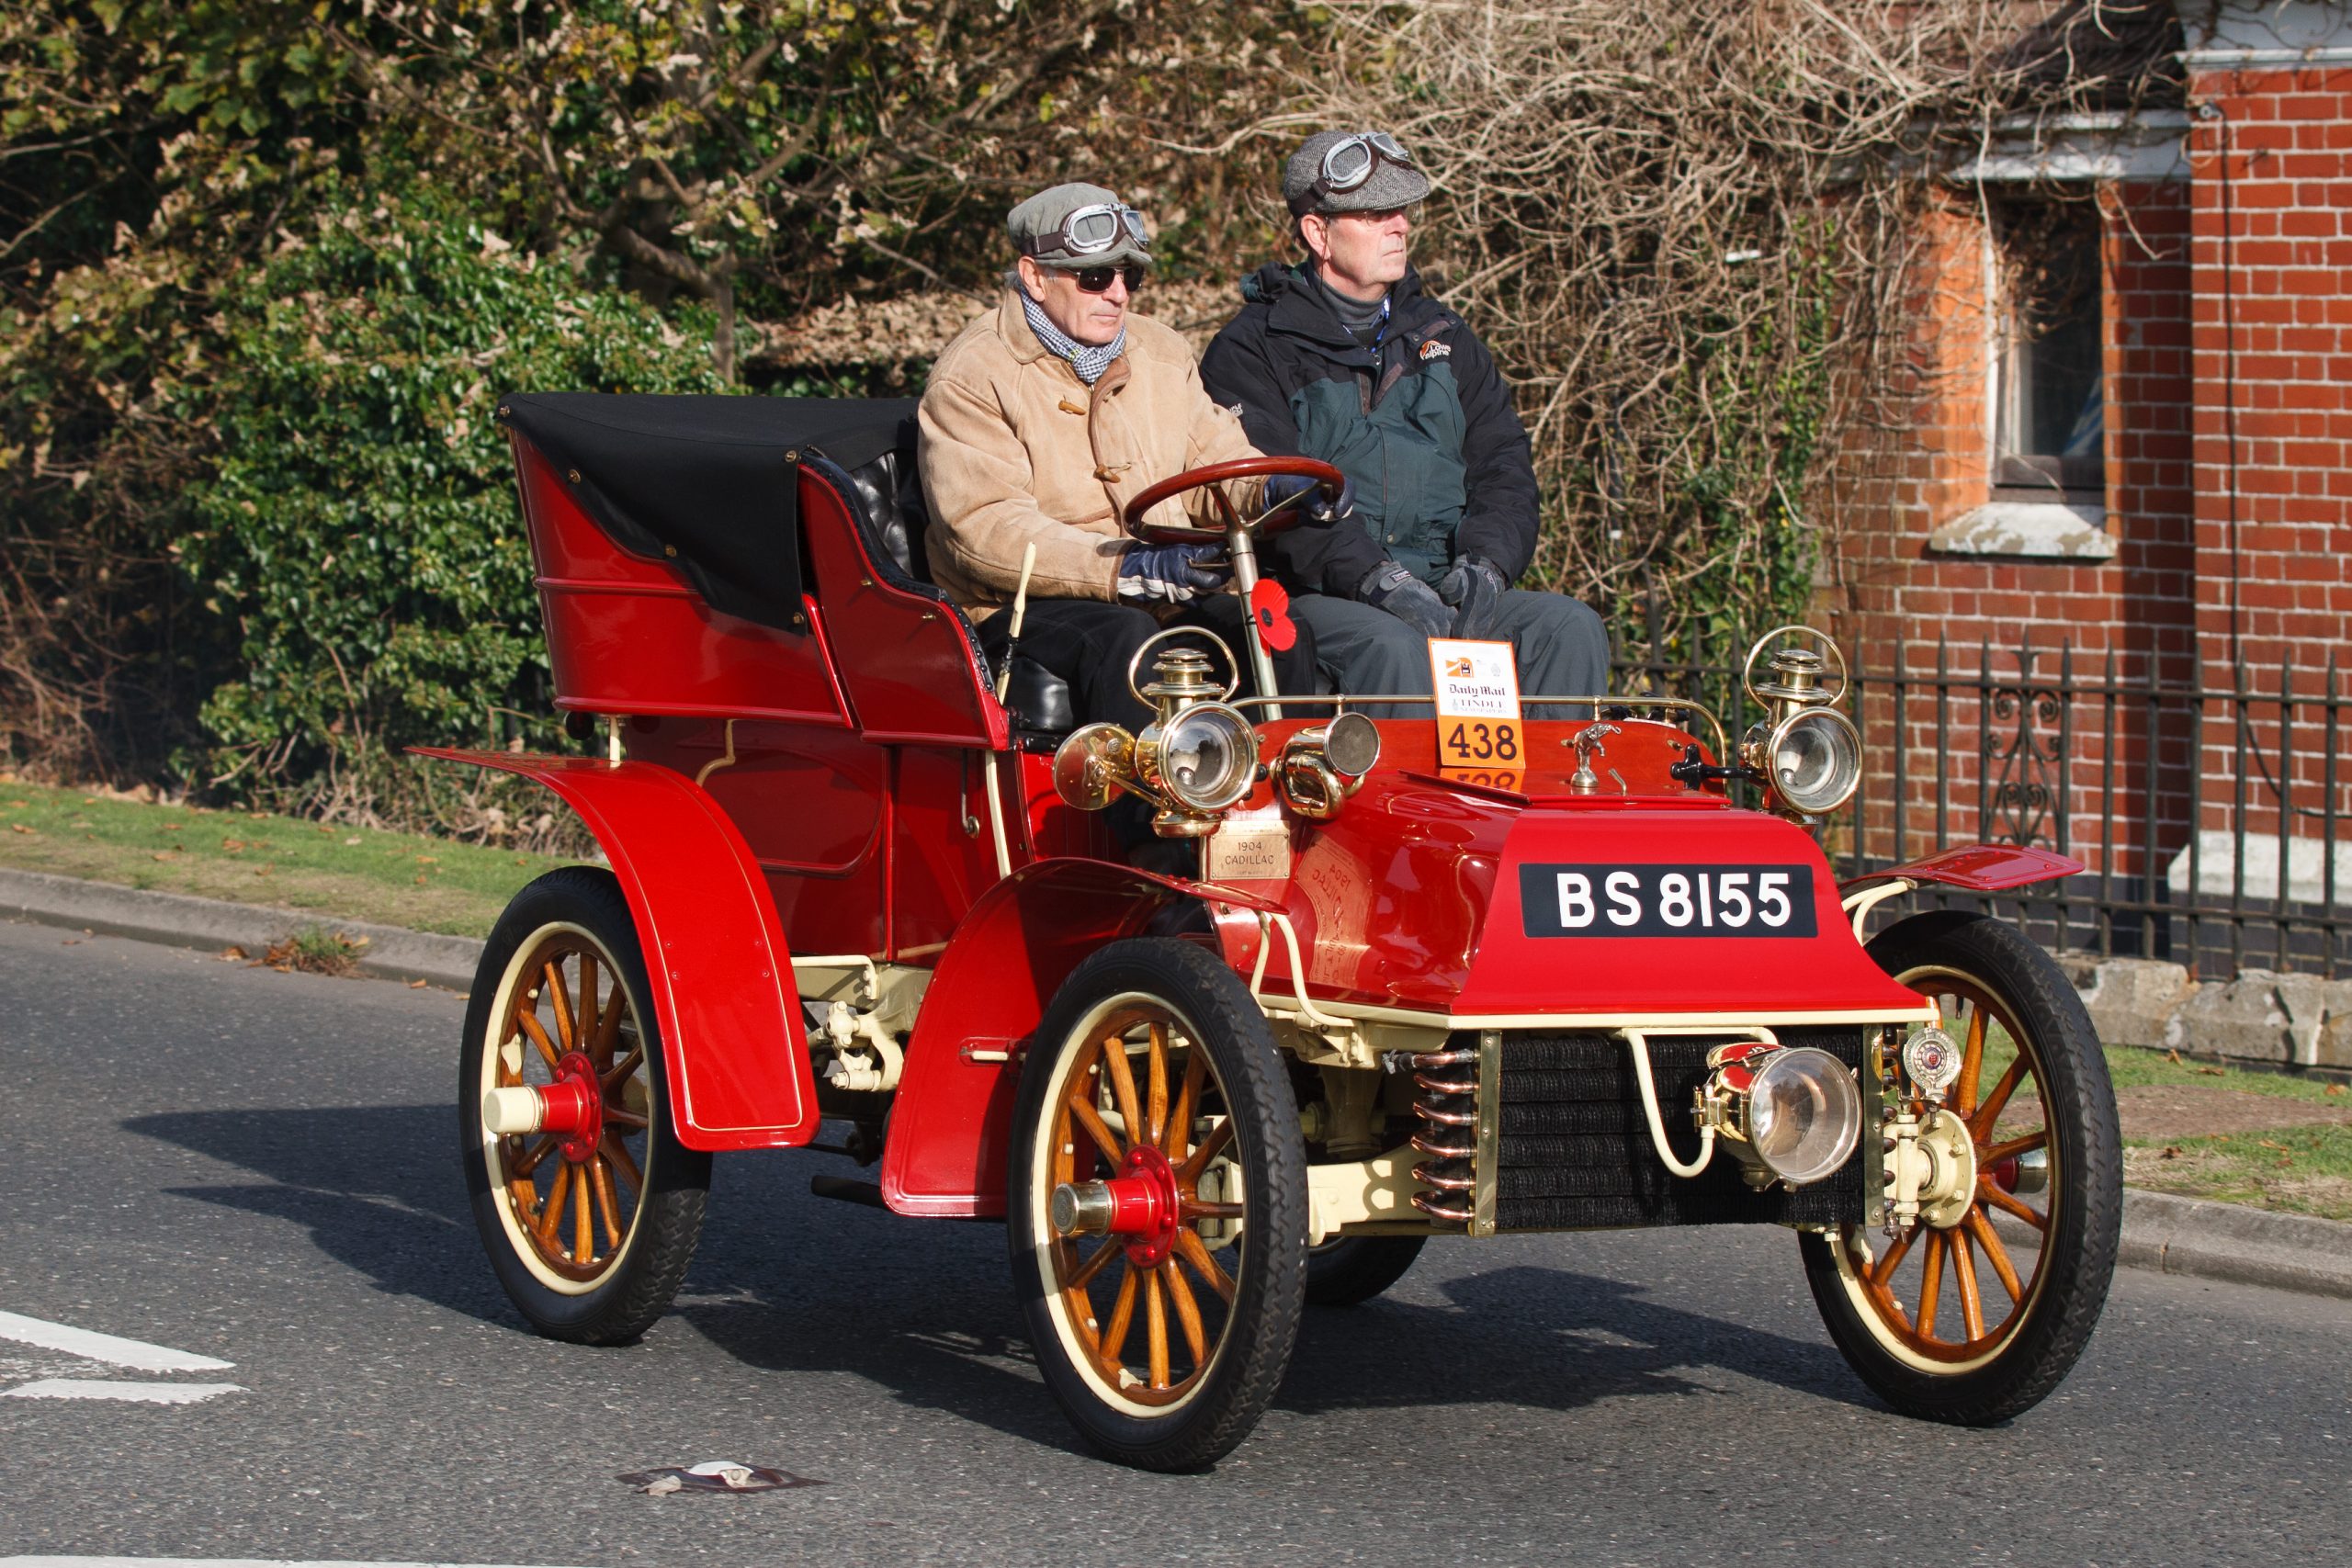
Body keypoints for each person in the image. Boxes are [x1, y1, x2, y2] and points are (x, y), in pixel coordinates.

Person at [1201, 131, 1611, 713]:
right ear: (1319, 233)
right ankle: (1407, 807)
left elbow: (1505, 468)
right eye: (1375, 214)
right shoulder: (1250, 350)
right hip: (1318, 595)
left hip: (1447, 585)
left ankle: (1545, 804)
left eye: (1402, 210)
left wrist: (1487, 565)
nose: (1400, 225)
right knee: (1394, 648)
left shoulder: (1447, 337)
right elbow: (1273, 493)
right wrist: (1376, 578)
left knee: (1568, 628)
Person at [918, 182, 1333, 736]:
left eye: (1129, 276)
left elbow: (1218, 459)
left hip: (1166, 589)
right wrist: (1126, 567)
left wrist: (1277, 488)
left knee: (1276, 629)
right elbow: (985, 530)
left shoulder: (1160, 350)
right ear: (1035, 277)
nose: (1117, 294)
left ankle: (1292, 799)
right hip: (1018, 606)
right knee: (1128, 643)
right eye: (1095, 277)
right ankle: (1147, 820)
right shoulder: (973, 375)